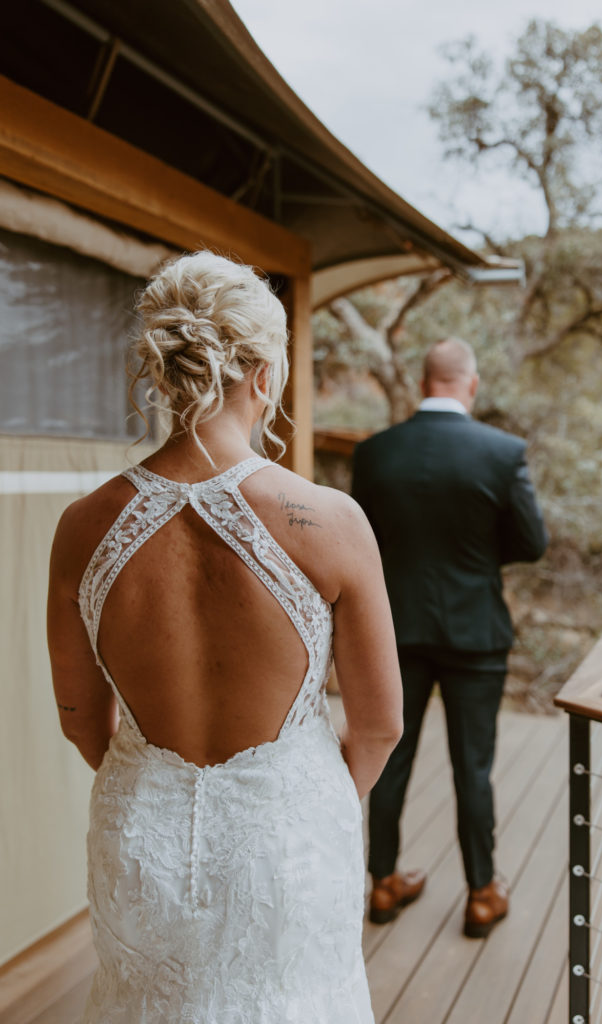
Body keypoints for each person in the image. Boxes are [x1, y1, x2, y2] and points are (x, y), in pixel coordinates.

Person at [47, 251, 403, 1023]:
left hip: (139, 837)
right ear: (264, 376)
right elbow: (378, 725)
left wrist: (154, 784)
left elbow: (80, 719)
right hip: (290, 842)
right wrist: (300, 803)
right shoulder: (331, 523)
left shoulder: (82, 528)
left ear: (165, 370)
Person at [352, 337, 547, 938]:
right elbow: (532, 542)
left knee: (390, 760)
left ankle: (382, 882)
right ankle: (483, 895)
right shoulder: (502, 451)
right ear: (472, 383)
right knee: (474, 767)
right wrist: (479, 557)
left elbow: (364, 541)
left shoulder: (375, 453)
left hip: (398, 629)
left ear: (421, 382)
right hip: (476, 635)